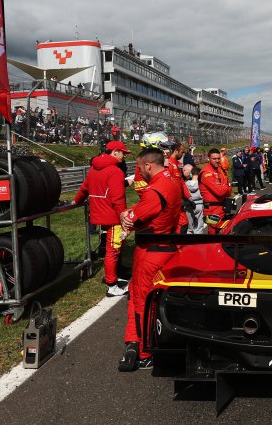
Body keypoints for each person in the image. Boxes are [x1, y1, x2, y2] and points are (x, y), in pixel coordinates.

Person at [118, 148, 184, 371]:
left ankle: (145, 351)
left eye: (139, 167)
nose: (139, 172)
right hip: (166, 246)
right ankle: (136, 341)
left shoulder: (155, 189)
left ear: (148, 165)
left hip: (152, 250)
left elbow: (133, 218)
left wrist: (124, 214)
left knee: (141, 301)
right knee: (149, 298)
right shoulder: (172, 180)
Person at [73, 140, 130, 297]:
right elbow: (118, 199)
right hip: (113, 217)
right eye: (123, 152)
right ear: (115, 152)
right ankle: (112, 286)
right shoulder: (116, 171)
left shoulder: (93, 169)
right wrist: (124, 218)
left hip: (100, 214)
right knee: (113, 251)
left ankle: (113, 277)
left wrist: (76, 201)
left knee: (112, 249)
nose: (124, 156)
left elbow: (84, 188)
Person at [199, 148, 233, 223]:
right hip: (212, 210)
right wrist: (226, 184)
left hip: (222, 207)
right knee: (214, 229)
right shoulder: (206, 173)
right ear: (208, 159)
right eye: (214, 159)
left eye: (218, 158)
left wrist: (226, 186)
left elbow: (229, 192)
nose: (217, 161)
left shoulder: (218, 170)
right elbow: (220, 192)